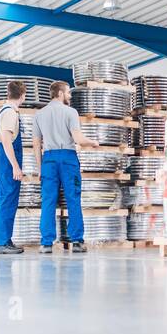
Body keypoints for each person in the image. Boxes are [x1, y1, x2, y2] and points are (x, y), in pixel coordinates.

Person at [34, 81, 102, 254]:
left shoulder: (39, 114)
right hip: (67, 158)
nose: (70, 96)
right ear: (60, 93)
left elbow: (36, 144)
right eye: (68, 93)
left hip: (48, 159)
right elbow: (78, 138)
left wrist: (40, 167)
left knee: (48, 201)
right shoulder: (71, 112)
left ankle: (46, 243)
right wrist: (92, 142)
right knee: (73, 199)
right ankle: (77, 241)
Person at [0, 80, 28, 255]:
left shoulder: (2, 111)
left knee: (4, 200)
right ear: (22, 96)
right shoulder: (10, 113)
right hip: (7, 163)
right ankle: (3, 242)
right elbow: (6, 141)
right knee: (8, 201)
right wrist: (15, 166)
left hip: (2, 161)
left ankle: (5, 239)